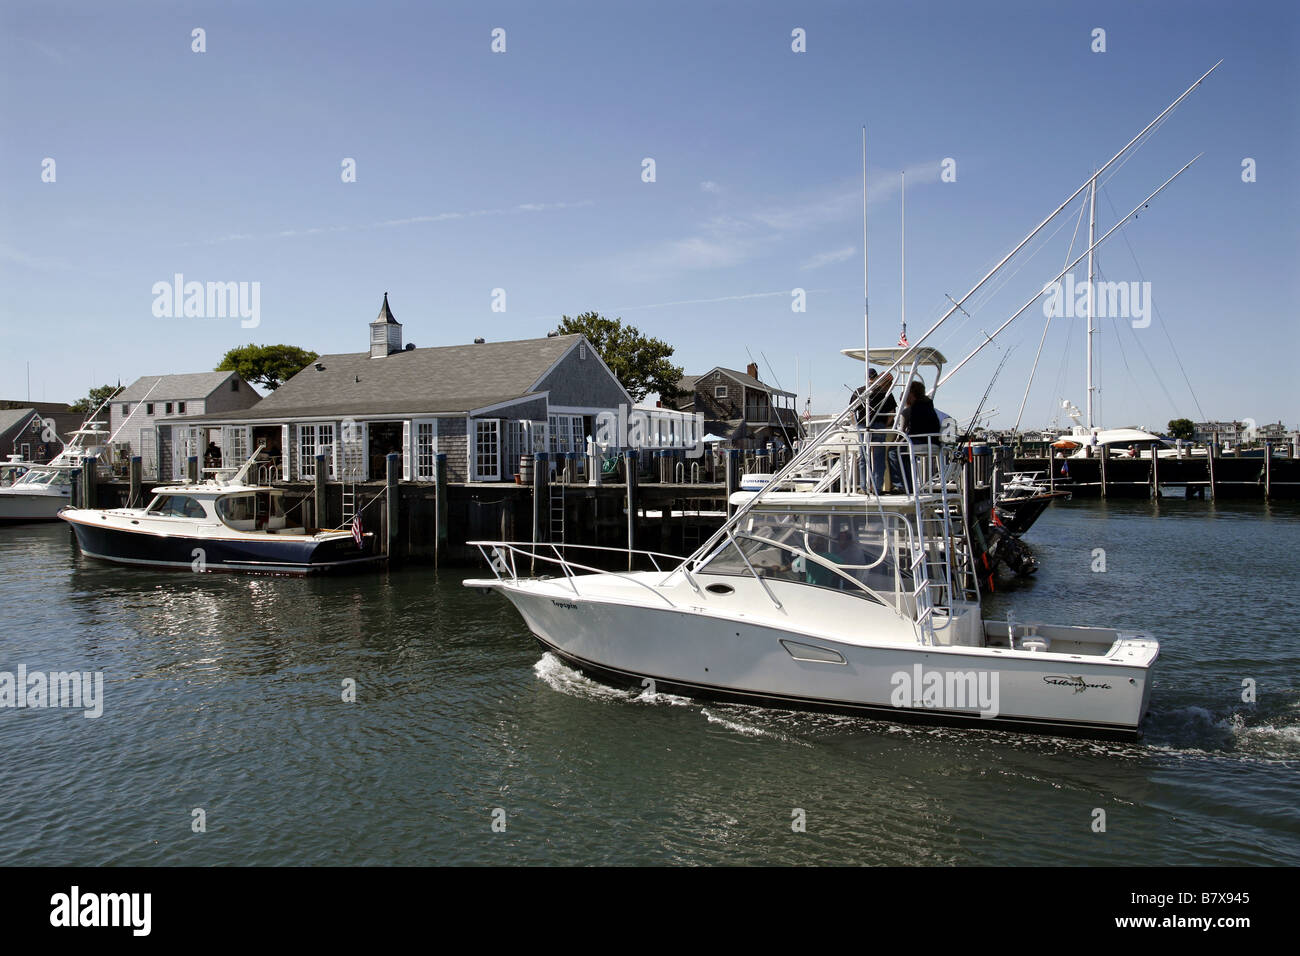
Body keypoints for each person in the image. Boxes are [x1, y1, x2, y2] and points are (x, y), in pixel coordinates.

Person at [899, 380, 941, 492]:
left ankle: (903, 485)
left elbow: (901, 432)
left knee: (894, 451)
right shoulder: (929, 406)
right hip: (934, 442)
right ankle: (910, 484)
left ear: (911, 394)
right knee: (905, 452)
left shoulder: (909, 411)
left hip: (919, 441)